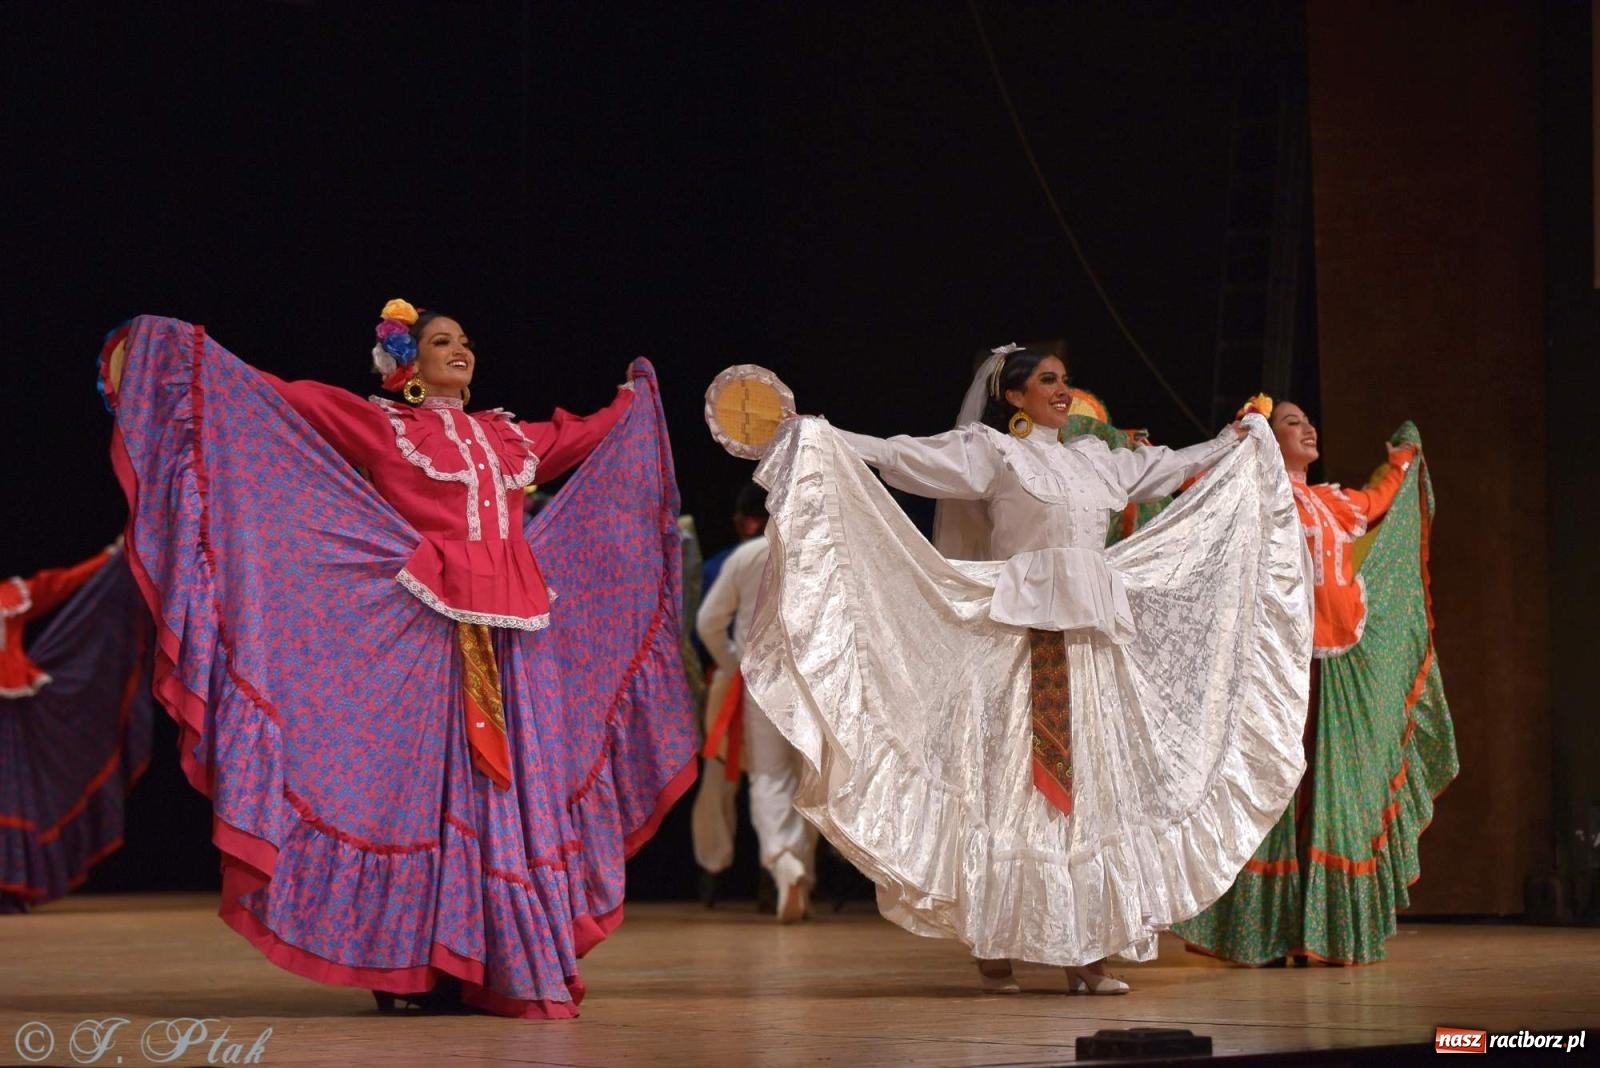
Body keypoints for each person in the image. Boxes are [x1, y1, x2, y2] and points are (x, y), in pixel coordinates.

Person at [97, 300, 699, 1018]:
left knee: (510, 798)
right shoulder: (386, 426)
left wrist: (636, 397)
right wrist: (190, 361)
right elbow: (278, 398)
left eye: (466, 341)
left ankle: (497, 955)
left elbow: (588, 435)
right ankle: (416, 961)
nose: (461, 350)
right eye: (443, 341)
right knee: (427, 794)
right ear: (407, 363)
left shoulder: (510, 438)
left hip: (516, 643)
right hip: (426, 638)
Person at [737, 344, 1313, 994]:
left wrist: (1234, 441)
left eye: (1066, 380)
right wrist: (823, 434)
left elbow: (1171, 467)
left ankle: (1086, 955)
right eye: (1047, 381)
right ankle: (996, 944)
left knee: (1091, 793)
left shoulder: (1095, 459)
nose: (1062, 390)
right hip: (1018, 648)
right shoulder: (996, 452)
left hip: (1089, 651)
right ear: (1014, 395)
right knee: (1013, 789)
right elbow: (905, 457)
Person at [1172, 401, 1458, 965]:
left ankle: (1323, 932)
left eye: (1308, 421)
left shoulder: (1331, 501)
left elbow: (1380, 503)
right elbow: (1194, 488)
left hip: (1338, 663)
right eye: (1291, 423)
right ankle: (1263, 931)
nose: (1308, 429)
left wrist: (1404, 456)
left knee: (1334, 790)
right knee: (1278, 788)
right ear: (1267, 439)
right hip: (1275, 665)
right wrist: (1240, 431)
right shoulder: (1253, 494)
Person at [0, 541, 154, 911]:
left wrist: (112, 556)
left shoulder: (9, 596)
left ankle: (9, 883)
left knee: (8, 795)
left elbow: (63, 583)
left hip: (6, 713)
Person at [696, 484, 818, 922]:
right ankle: (800, 869)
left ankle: (784, 861)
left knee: (769, 778)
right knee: (811, 781)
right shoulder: (819, 552)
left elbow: (709, 621)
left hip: (761, 680)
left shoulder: (746, 557)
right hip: (814, 683)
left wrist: (733, 665)